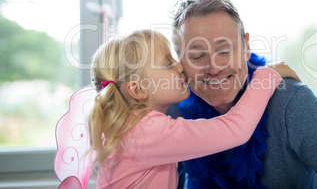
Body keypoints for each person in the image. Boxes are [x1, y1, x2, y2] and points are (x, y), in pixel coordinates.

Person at [168, 0, 317, 188]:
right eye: (197, 56)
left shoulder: (291, 103)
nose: (214, 67)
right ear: (180, 64)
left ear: (246, 47)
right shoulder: (175, 113)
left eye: (225, 51)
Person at [87, 29, 295, 188]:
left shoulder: (127, 127)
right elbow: (236, 130)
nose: (180, 66)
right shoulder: (147, 131)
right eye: (168, 63)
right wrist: (264, 77)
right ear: (138, 89)